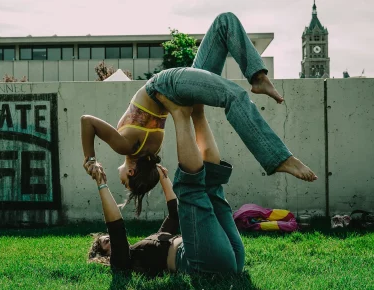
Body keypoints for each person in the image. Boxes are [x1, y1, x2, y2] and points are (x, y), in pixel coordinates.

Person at [81, 12, 317, 215]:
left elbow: (110, 118)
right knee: (234, 95)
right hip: (169, 84)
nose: (119, 177)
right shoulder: (127, 147)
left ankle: (258, 77)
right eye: (124, 181)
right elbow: (87, 121)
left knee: (225, 23)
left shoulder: (149, 149)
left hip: (176, 90)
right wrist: (90, 160)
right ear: (131, 172)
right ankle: (278, 158)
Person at [87, 103, 245, 275]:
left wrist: (163, 177)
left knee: (212, 185)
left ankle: (197, 112)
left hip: (229, 256)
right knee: (191, 189)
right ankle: (182, 113)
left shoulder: (151, 242)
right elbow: (116, 227)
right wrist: (101, 184)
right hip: (203, 260)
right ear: (103, 256)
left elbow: (174, 214)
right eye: (105, 242)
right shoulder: (124, 262)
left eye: (106, 238)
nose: (109, 239)